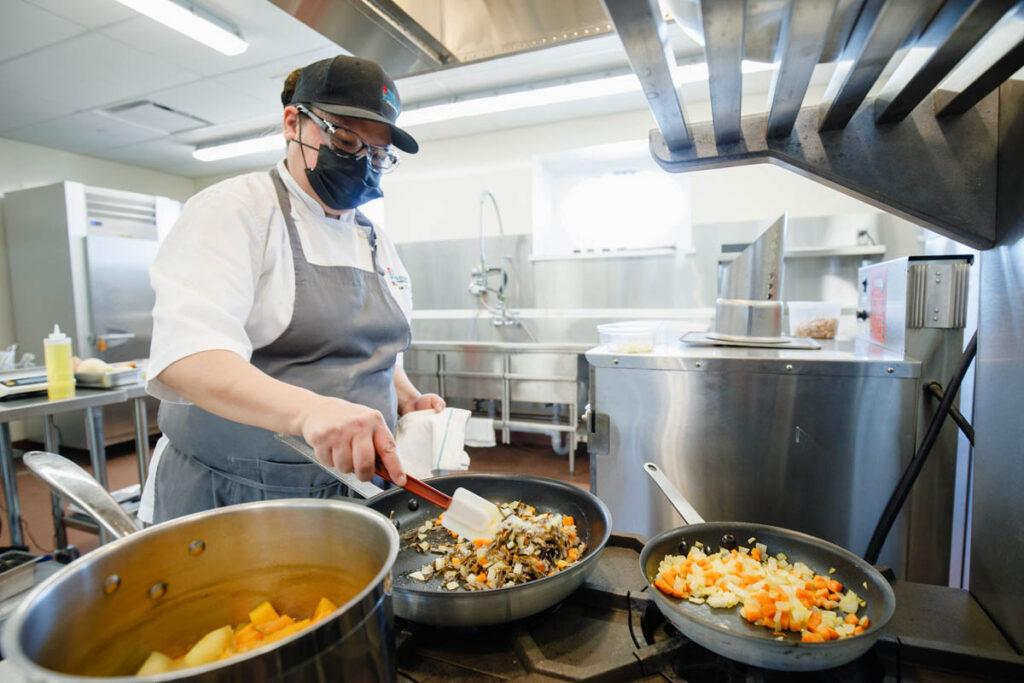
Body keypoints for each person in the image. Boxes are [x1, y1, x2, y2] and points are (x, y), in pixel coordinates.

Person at [138, 55, 444, 524]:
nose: (364, 163)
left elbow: (377, 352)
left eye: (379, 154)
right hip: (241, 497)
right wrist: (310, 412)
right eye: (346, 139)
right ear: (293, 123)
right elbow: (188, 358)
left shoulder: (374, 239)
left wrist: (405, 395)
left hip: (355, 489)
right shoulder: (235, 210)